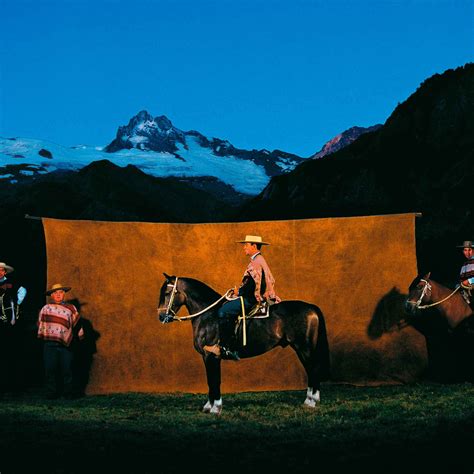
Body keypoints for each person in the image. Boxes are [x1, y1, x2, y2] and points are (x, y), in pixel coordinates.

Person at [204, 235, 281, 360]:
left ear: (254, 246)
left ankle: (225, 348)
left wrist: (238, 291)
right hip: (250, 296)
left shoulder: (256, 262)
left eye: (246, 245)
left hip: (250, 299)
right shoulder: (258, 260)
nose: (244, 247)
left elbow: (252, 285)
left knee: (223, 311)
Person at [37, 283, 84, 399]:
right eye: (55, 293)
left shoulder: (71, 308)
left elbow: (76, 324)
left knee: (67, 369)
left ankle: (68, 393)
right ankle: (51, 393)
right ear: (51, 295)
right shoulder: (46, 308)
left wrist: (79, 336)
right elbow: (41, 324)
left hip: (66, 345)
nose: (58, 295)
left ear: (64, 295)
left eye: (61, 292)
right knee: (50, 370)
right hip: (49, 343)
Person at [0, 261, 27, 326]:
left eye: (2, 270)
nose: (0, 273)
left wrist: (18, 302)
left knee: (8, 327)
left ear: (5, 272)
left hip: (8, 310)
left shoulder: (11, 282)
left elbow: (22, 290)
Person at [457, 241, 474, 308]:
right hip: (467, 294)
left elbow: (467, 281)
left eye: (469, 250)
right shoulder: (464, 266)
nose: (468, 253)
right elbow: (461, 280)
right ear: (463, 252)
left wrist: (469, 281)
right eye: (465, 250)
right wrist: (459, 285)